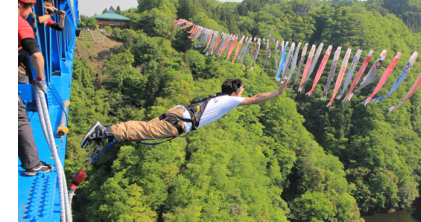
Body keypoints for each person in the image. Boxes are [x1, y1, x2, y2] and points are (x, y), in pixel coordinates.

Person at [81, 79, 289, 148]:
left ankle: (108, 132)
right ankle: (104, 132)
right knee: (144, 130)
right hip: (180, 121)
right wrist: (277, 92)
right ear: (235, 91)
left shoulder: (219, 97)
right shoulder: (230, 100)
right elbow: (255, 99)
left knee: (146, 127)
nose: (243, 93)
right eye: (242, 89)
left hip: (179, 112)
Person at [18, 0, 53, 175]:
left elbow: (57, 25)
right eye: (29, 5)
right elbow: (37, 55)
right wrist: (40, 79)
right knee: (19, 119)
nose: (32, 10)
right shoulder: (21, 23)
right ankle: (32, 163)